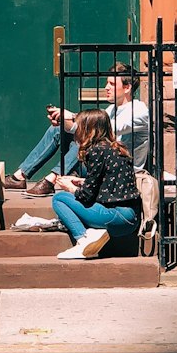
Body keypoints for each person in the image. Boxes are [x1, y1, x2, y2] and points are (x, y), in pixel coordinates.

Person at [4, 63, 151, 195]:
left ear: (127, 87)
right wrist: (63, 121)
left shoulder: (139, 111)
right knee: (59, 130)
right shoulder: (111, 109)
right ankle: (20, 176)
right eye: (107, 83)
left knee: (87, 140)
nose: (106, 87)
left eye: (112, 84)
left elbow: (102, 129)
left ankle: (51, 180)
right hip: (100, 163)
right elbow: (81, 128)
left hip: (119, 171)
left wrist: (73, 116)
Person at [50, 108, 141, 260]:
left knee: (59, 199)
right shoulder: (116, 148)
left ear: (87, 129)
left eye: (79, 126)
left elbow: (86, 196)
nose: (76, 130)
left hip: (116, 217)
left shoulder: (96, 151)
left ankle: (83, 240)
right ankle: (91, 233)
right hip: (131, 217)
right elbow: (110, 181)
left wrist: (71, 188)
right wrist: (82, 182)